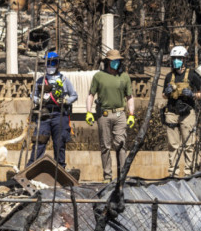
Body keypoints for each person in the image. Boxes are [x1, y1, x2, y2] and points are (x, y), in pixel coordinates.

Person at [85, 49, 135, 183]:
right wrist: (88, 112)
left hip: (120, 114)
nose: (116, 63)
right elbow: (91, 95)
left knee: (121, 145)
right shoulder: (99, 76)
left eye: (118, 61)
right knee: (105, 146)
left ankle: (122, 175)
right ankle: (107, 176)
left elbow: (129, 96)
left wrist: (131, 114)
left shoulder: (124, 77)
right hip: (104, 114)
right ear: (108, 62)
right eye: (113, 61)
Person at [28, 51, 78, 167]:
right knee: (39, 141)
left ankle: (60, 167)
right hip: (44, 114)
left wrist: (66, 101)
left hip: (59, 114)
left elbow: (74, 95)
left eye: (53, 63)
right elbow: (33, 95)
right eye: (48, 63)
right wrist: (38, 100)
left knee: (59, 143)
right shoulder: (40, 80)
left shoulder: (64, 80)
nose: (51, 66)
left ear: (57, 64)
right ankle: (32, 166)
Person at [162, 46, 201, 177]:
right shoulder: (169, 76)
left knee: (188, 144)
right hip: (172, 113)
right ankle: (172, 172)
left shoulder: (192, 75)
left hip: (187, 113)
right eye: (174, 59)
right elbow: (163, 95)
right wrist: (166, 93)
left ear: (184, 59)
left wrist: (193, 94)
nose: (176, 61)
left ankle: (187, 172)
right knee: (173, 144)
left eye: (179, 59)